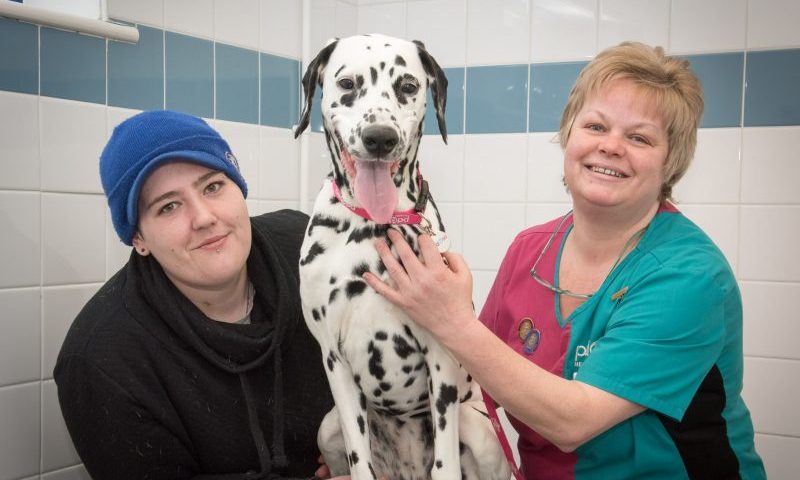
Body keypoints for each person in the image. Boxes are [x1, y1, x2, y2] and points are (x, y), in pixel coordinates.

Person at [363, 42, 766, 479]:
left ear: (671, 162)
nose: (611, 146)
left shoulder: (689, 275)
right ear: (569, 134)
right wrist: (368, 453)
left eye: (639, 137)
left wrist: (450, 319)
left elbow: (572, 422)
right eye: (596, 126)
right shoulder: (528, 250)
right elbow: (473, 380)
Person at [54, 110, 335, 479]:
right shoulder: (103, 361)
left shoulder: (310, 250)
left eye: (213, 187)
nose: (203, 217)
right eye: (168, 206)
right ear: (138, 238)